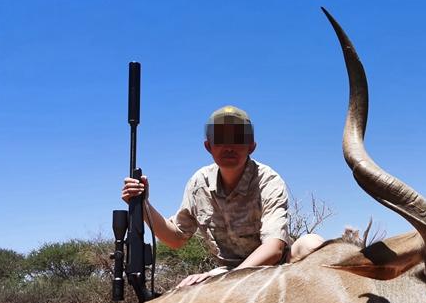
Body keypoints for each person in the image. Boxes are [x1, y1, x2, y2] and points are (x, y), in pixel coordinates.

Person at [121, 105, 324, 288]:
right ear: (208, 146)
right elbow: (175, 238)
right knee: (185, 290)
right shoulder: (199, 183)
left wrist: (228, 280)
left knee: (312, 245)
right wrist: (143, 204)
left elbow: (274, 248)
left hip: (274, 268)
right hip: (226, 272)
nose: (229, 146)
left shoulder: (268, 180)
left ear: (251, 146)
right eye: (220, 139)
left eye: (238, 139)